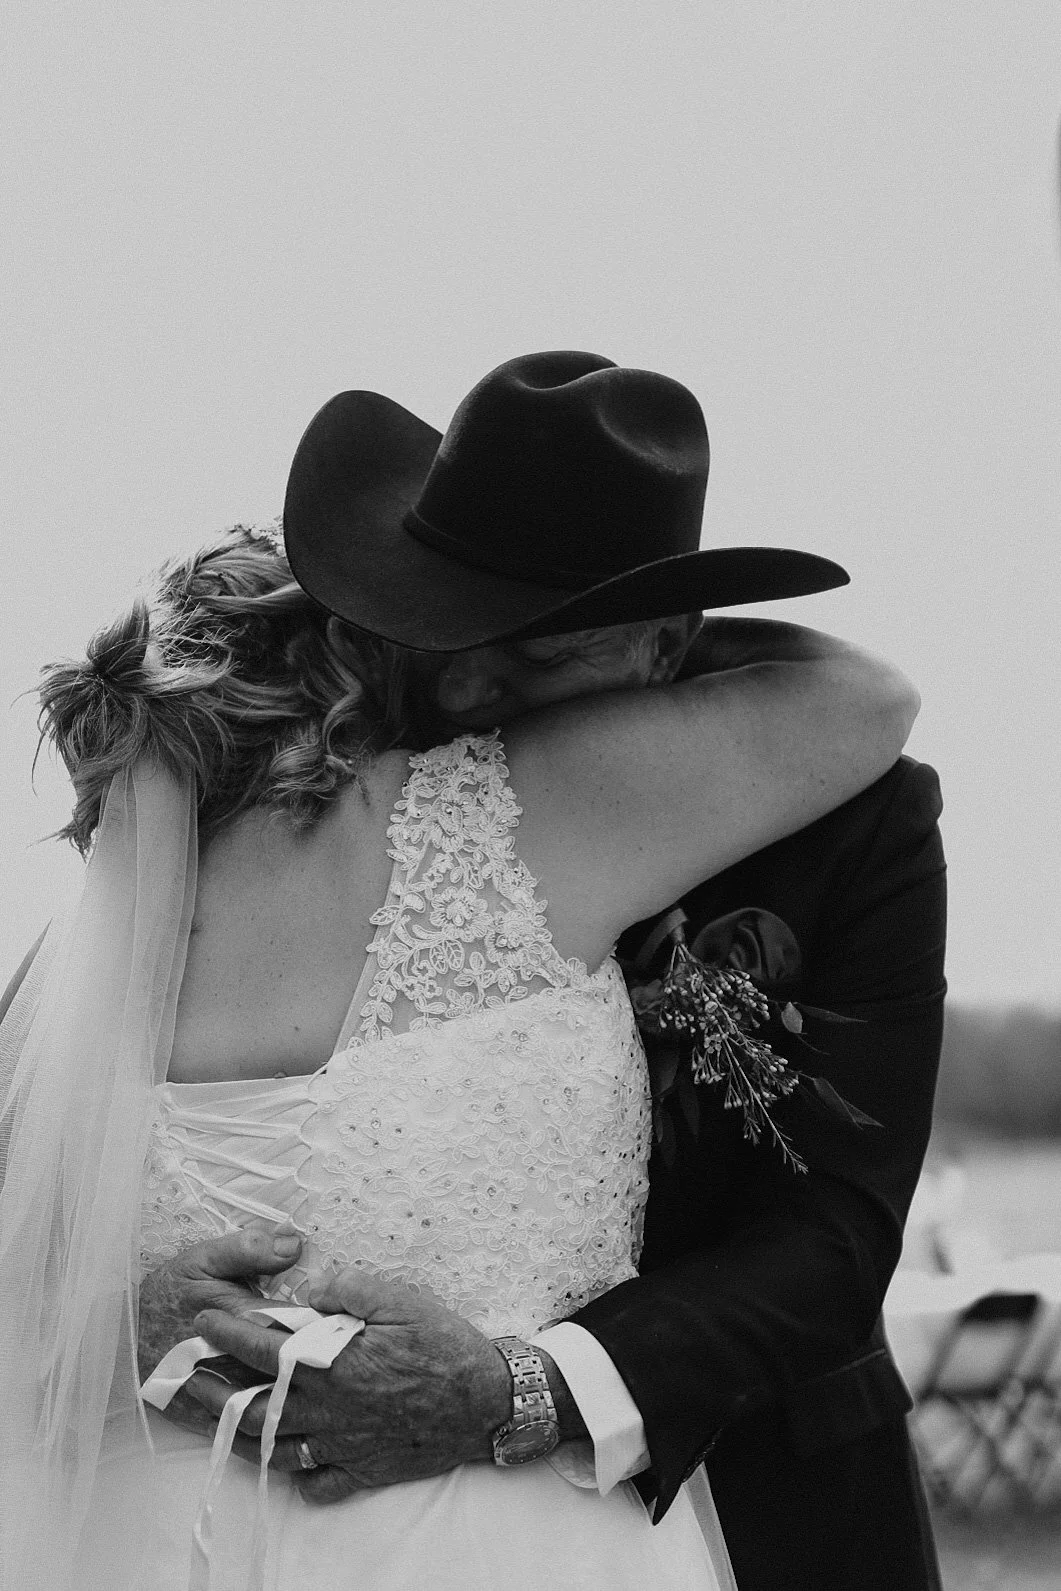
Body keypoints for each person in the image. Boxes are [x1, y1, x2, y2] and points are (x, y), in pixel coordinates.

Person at [0, 351, 921, 1591]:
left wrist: (515, 1389)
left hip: (746, 1462)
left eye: (531, 645)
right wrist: (125, 1324)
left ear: (668, 641)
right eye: (444, 621)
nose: (473, 678)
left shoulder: (841, 816)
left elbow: (831, 1235)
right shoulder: (169, 902)